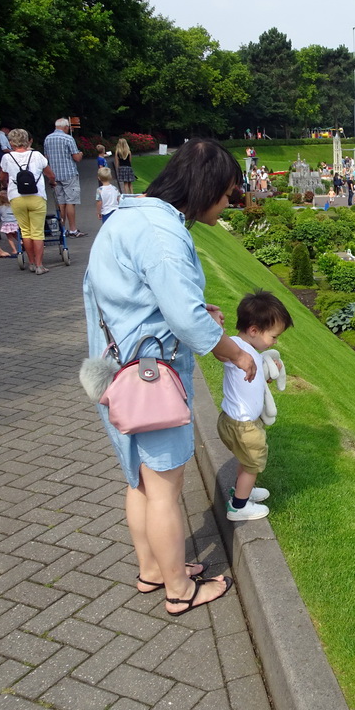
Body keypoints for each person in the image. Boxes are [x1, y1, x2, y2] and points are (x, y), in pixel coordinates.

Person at [83, 138, 257, 617]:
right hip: (151, 379)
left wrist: (198, 309)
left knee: (140, 480)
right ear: (203, 189)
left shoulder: (128, 215)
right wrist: (235, 356)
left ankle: (153, 569)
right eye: (225, 195)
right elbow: (183, 318)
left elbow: (140, 296)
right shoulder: (163, 234)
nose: (227, 205)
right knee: (165, 492)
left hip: (122, 374)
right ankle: (179, 588)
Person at [217, 290, 293, 522]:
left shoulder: (249, 352)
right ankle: (238, 507)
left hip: (234, 420)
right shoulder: (236, 349)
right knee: (253, 464)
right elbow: (220, 351)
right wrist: (216, 327)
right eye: (273, 336)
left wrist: (269, 375)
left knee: (246, 459)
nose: (276, 341)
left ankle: (243, 491)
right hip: (243, 425)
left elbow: (252, 379)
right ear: (254, 331)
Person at [1, 128, 56, 274]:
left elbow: (2, 177)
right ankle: (39, 266)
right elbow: (50, 174)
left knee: (25, 232)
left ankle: (31, 263)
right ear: (26, 140)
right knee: (38, 233)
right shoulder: (37, 155)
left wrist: (5, 184)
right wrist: (53, 182)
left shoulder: (7, 158)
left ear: (11, 142)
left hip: (17, 198)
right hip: (37, 197)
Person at [44, 118, 86, 237]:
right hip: (69, 173)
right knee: (70, 202)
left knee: (60, 202)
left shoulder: (48, 139)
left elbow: (46, 157)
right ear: (66, 127)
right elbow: (76, 158)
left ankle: (62, 229)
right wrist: (80, 154)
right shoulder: (68, 138)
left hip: (55, 174)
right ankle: (73, 229)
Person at [0, 189, 19, 255]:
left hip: (6, 224)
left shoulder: (0, 208)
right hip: (15, 223)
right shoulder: (13, 206)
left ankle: (14, 250)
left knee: (9, 237)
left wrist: (1, 220)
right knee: (16, 235)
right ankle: (22, 243)